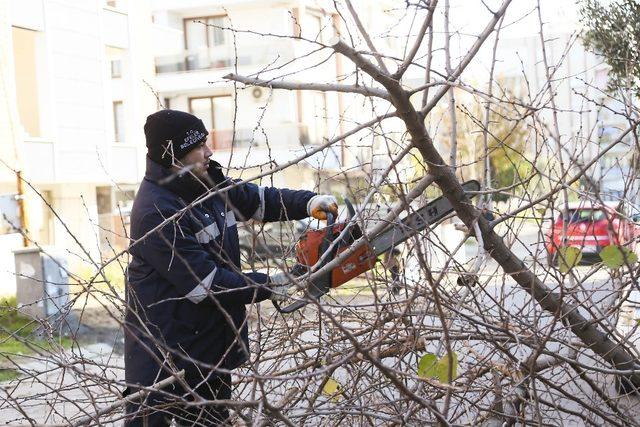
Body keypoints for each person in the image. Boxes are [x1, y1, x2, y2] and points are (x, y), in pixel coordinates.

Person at [123, 110, 338, 426]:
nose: (209, 153)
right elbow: (206, 285)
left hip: (207, 346)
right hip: (165, 357)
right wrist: (271, 283)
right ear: (172, 155)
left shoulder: (205, 182)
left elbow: (257, 199)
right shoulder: (156, 212)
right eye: (198, 148)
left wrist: (308, 203)